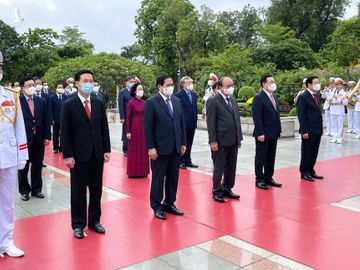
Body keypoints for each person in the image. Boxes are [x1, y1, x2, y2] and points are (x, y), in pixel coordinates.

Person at [61, 70, 111, 239]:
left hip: (97, 154)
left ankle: (95, 221)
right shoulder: (68, 105)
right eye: (85, 80)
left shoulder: (98, 103)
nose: (89, 83)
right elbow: (65, 133)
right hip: (78, 156)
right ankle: (78, 224)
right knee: (78, 192)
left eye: (91, 80)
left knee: (96, 191)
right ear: (77, 83)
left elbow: (104, 128)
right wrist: (67, 155)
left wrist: (106, 149)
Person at [144, 75, 186, 220]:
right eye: (167, 84)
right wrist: (151, 147)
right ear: (160, 87)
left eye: (171, 84)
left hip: (175, 147)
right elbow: (148, 128)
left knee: (173, 177)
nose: (170, 87)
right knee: (158, 178)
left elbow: (181, 124)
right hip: (159, 149)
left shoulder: (177, 101)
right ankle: (156, 206)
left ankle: (170, 203)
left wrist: (183, 143)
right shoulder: (151, 102)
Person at [0, 51, 28, 257]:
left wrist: (22, 155)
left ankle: (6, 241)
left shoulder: (11, 96)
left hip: (7, 155)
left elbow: (20, 128)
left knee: (7, 202)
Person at [206, 77, 243, 203]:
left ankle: (227, 188)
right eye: (228, 86)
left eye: (232, 85)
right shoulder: (213, 101)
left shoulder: (233, 100)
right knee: (219, 167)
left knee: (231, 166)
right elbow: (210, 123)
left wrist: (239, 138)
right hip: (220, 141)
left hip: (233, 140)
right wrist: (213, 141)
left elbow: (236, 119)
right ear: (220, 87)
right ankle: (217, 190)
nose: (230, 88)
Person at [18, 76, 51, 201]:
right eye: (28, 85)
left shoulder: (40, 101)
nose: (32, 87)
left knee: (37, 165)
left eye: (33, 84)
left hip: (39, 138)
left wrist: (47, 136)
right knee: (23, 167)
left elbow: (46, 120)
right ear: (22, 88)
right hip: (24, 139)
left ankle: (37, 190)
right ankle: (24, 191)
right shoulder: (18, 101)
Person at [252, 75, 283, 190]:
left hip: (273, 132)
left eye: (273, 81)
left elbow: (276, 115)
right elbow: (257, 117)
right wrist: (260, 133)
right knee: (261, 157)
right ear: (264, 84)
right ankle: (259, 179)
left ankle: (268, 177)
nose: (273, 84)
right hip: (263, 133)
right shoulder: (259, 98)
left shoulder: (274, 97)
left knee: (271, 156)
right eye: (270, 82)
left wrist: (279, 130)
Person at [297, 76, 324, 181]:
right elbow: (301, 115)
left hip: (317, 129)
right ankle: (304, 172)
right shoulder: (303, 96)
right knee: (307, 152)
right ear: (308, 85)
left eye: (318, 82)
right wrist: (304, 130)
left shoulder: (316, 95)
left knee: (314, 151)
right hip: (308, 129)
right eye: (315, 83)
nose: (318, 84)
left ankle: (311, 170)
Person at [126, 83, 149, 178]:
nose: (141, 91)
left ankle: (143, 172)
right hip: (135, 128)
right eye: (139, 89)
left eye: (142, 89)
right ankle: (133, 172)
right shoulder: (131, 102)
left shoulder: (144, 102)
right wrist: (128, 131)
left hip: (144, 128)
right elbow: (128, 118)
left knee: (143, 150)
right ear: (135, 91)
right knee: (134, 150)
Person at [175, 76, 198, 169]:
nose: (191, 85)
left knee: (189, 142)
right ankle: (180, 161)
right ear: (183, 84)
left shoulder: (193, 94)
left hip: (192, 122)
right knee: (182, 143)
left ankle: (187, 160)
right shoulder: (178, 95)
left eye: (191, 83)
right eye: (189, 83)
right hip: (184, 123)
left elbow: (194, 108)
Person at [118, 76, 136, 156]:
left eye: (133, 81)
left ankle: (133, 148)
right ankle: (126, 149)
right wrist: (122, 117)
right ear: (126, 83)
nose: (132, 83)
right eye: (130, 81)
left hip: (135, 115)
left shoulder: (135, 91)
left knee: (134, 132)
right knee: (126, 132)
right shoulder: (122, 92)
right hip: (126, 116)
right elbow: (120, 105)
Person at [50, 81, 67, 153]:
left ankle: (62, 147)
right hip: (55, 119)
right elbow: (50, 109)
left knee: (63, 134)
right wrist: (52, 119)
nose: (61, 89)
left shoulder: (65, 96)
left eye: (62, 87)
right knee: (55, 134)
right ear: (56, 88)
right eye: (59, 87)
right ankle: (55, 147)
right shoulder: (52, 97)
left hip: (64, 119)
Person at [329, 78, 348, 144]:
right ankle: (334, 137)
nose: (336, 86)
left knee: (340, 125)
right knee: (334, 125)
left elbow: (346, 103)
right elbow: (329, 100)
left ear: (342, 85)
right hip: (332, 109)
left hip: (339, 110)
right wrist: (331, 100)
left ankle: (339, 138)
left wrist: (337, 98)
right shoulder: (333, 92)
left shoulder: (344, 93)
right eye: (335, 84)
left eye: (338, 84)